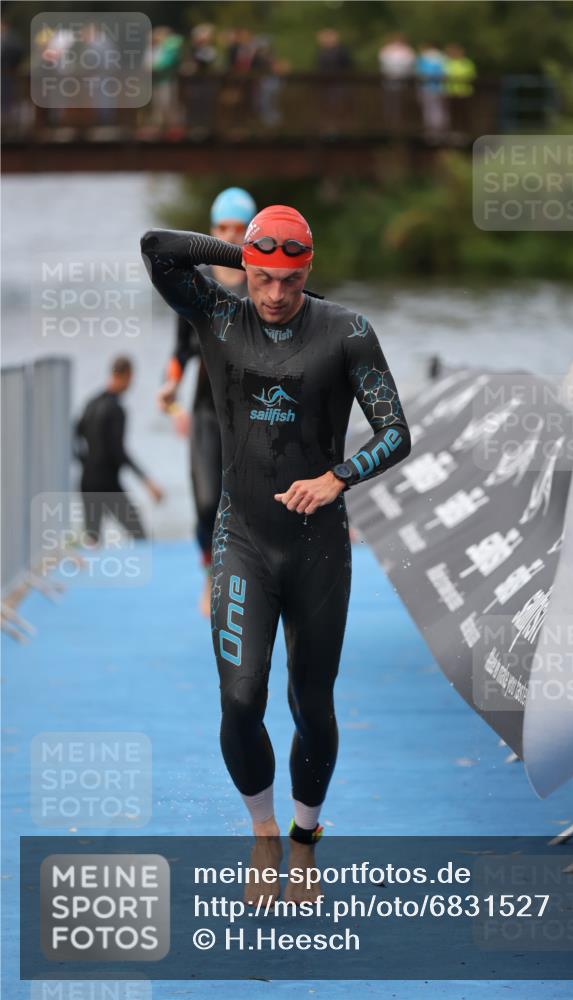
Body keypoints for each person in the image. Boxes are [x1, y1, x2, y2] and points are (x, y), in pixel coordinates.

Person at [140, 207, 411, 901]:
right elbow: (157, 247)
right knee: (239, 698)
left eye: (288, 281)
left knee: (310, 702)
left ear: (307, 271)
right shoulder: (219, 316)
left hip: (318, 544)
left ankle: (304, 839)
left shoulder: (346, 331)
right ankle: (262, 834)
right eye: (261, 279)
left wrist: (336, 478)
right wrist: (236, 250)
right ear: (246, 271)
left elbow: (394, 433)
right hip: (243, 540)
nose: (273, 296)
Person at [156, 187, 257, 616]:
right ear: (212, 230)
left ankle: (248, 579)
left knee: (251, 503)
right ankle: (209, 572)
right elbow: (181, 350)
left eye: (239, 228)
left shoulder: (264, 283)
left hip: (254, 412)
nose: (230, 236)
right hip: (204, 411)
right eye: (223, 228)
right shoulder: (198, 284)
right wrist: (170, 386)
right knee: (204, 501)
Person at [74, 356, 164, 544]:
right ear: (126, 375)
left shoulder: (91, 403)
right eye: (131, 378)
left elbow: (74, 434)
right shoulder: (116, 410)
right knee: (139, 535)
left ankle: (92, 571)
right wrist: (147, 482)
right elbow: (118, 452)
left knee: (92, 539)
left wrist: (84, 461)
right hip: (108, 484)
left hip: (87, 480)